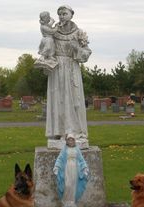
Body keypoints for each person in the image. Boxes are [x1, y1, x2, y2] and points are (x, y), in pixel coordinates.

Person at [45, 5, 92, 148]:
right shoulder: (53, 31)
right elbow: (46, 46)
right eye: (59, 14)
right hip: (57, 68)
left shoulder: (78, 33)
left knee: (74, 100)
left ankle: (75, 131)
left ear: (71, 14)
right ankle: (59, 131)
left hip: (72, 68)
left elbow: (86, 54)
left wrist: (76, 48)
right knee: (58, 99)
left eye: (64, 13)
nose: (61, 16)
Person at [53, 134, 89, 207]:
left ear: (74, 141)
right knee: (67, 184)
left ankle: (72, 202)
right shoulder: (64, 149)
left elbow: (81, 160)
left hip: (75, 169)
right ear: (66, 141)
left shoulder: (77, 149)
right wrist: (57, 167)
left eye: (72, 140)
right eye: (69, 140)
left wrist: (85, 168)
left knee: (73, 185)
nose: (71, 141)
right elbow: (60, 158)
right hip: (67, 169)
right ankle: (66, 201)